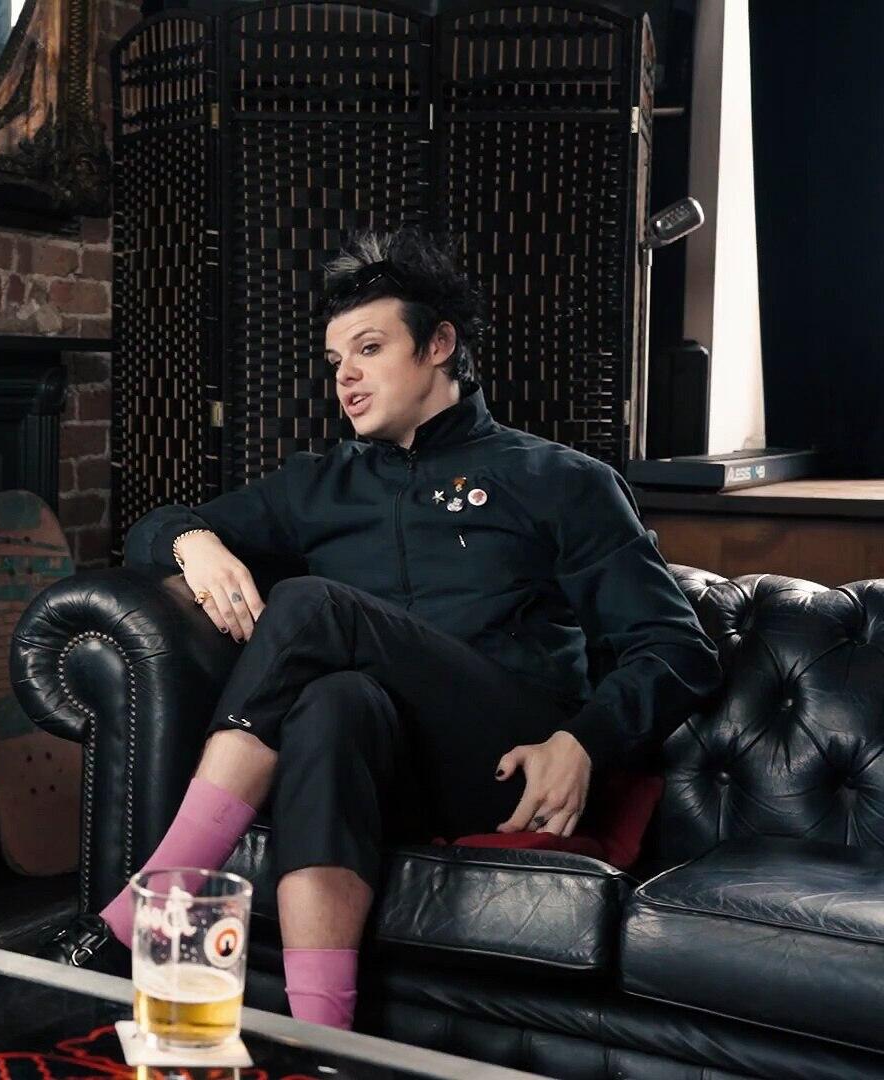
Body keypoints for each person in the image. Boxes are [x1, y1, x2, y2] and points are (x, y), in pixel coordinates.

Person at [50, 229, 720, 1030]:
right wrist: (194, 542)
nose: (346, 377)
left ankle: (158, 895)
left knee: (311, 605)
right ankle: (323, 1042)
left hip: (507, 764)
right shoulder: (319, 485)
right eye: (336, 360)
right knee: (333, 703)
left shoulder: (562, 480)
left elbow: (677, 648)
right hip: (383, 770)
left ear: (439, 345)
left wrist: (582, 742)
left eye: (370, 349)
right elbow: (153, 528)